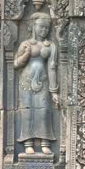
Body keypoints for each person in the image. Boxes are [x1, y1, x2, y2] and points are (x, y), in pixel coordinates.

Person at [15, 12, 59, 155]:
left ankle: (45, 142)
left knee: (44, 111)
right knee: (27, 111)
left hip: (44, 82)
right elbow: (16, 64)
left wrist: (54, 91)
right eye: (41, 27)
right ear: (33, 26)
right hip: (26, 82)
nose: (44, 30)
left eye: (47, 28)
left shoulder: (50, 45)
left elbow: (52, 67)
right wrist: (26, 54)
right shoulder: (26, 44)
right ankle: (28, 143)